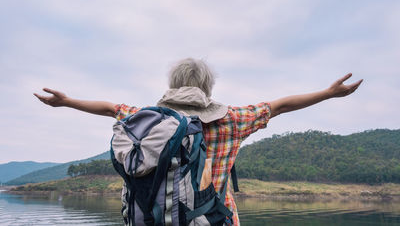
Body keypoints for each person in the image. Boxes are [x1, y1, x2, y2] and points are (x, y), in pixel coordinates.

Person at [34, 58, 363, 225]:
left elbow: (109, 108)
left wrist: (66, 101)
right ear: (208, 88)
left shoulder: (144, 118)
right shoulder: (233, 120)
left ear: (171, 86)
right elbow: (280, 106)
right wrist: (329, 93)